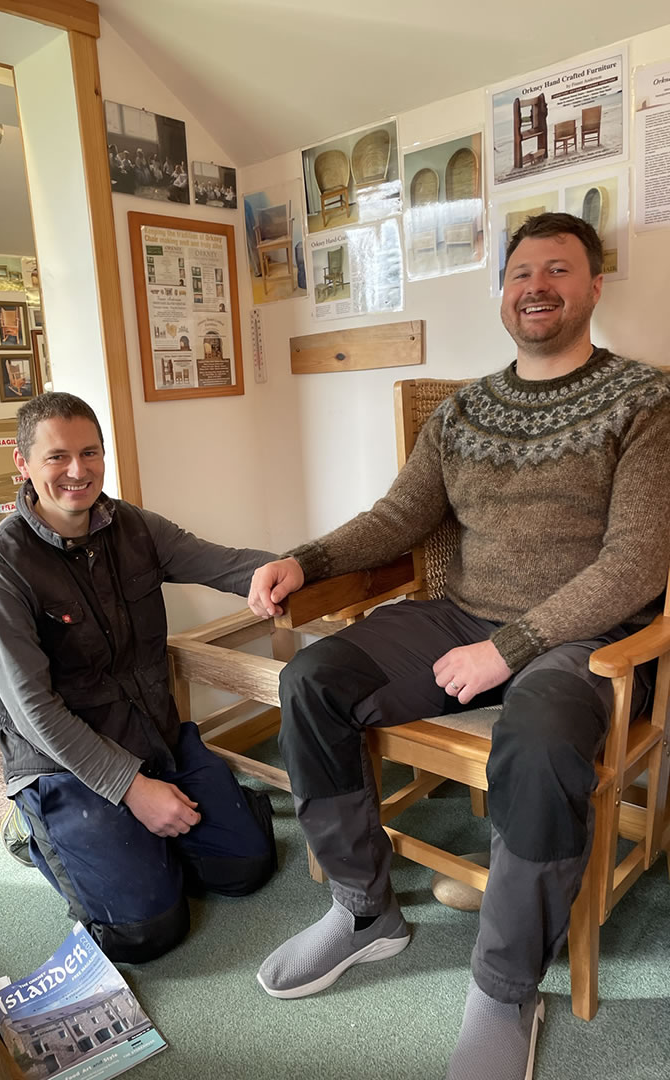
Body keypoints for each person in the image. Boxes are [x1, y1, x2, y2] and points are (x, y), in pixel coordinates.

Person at [246, 213, 670, 1079]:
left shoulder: (646, 402)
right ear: (503, 293)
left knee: (542, 741)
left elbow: (635, 565)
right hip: (461, 618)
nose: (537, 285)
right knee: (315, 678)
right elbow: (398, 518)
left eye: (559, 268)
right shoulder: (463, 409)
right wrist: (306, 558)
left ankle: (508, 985)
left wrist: (510, 648)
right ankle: (365, 911)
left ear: (594, 286)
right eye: (521, 272)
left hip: (584, 637)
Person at [0, 392, 278, 965]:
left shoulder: (133, 526)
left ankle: (143, 841)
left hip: (154, 734)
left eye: (90, 453)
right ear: (23, 463)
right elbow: (34, 711)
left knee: (246, 868)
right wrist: (131, 788)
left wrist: (302, 565)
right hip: (64, 761)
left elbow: (226, 563)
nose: (77, 471)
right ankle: (37, 829)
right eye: (56, 457)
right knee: (147, 933)